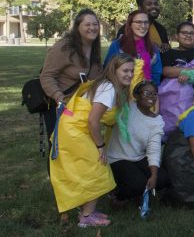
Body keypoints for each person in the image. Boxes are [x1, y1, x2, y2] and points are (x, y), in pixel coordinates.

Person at [49, 54, 134, 227]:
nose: (130, 74)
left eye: (132, 71)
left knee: (86, 169)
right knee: (97, 168)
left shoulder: (106, 85)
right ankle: (86, 218)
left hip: (73, 128)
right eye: (125, 70)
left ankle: (87, 210)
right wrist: (100, 146)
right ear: (114, 70)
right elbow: (92, 121)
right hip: (75, 131)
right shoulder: (108, 88)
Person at [40, 8, 103, 173]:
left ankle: (76, 182)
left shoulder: (95, 49)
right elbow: (46, 76)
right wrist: (59, 98)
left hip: (80, 107)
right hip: (59, 106)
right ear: (78, 27)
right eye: (87, 24)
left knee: (76, 146)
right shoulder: (64, 47)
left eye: (95, 24)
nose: (92, 28)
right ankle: (59, 185)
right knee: (58, 146)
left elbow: (97, 77)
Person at [107, 81, 170, 204]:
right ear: (136, 95)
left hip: (138, 157)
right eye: (147, 93)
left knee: (163, 179)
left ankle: (137, 191)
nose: (151, 97)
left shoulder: (157, 121)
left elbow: (154, 151)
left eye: (154, 94)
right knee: (139, 185)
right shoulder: (126, 107)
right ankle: (117, 195)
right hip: (117, 158)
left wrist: (154, 175)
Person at [104, 10, 162, 98]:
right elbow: (108, 71)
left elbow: (156, 75)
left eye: (146, 22)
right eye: (139, 22)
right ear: (130, 24)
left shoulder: (153, 49)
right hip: (119, 95)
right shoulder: (118, 45)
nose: (143, 26)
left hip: (143, 97)